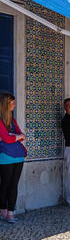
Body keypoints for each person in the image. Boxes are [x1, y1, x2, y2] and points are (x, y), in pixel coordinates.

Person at [0, 93, 26, 223]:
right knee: (5, 184)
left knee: (14, 185)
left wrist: (13, 136)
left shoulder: (13, 120)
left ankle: (10, 212)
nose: (14, 105)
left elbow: (22, 135)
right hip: (5, 157)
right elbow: (7, 138)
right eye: (12, 103)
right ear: (5, 104)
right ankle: (3, 210)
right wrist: (15, 136)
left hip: (19, 156)